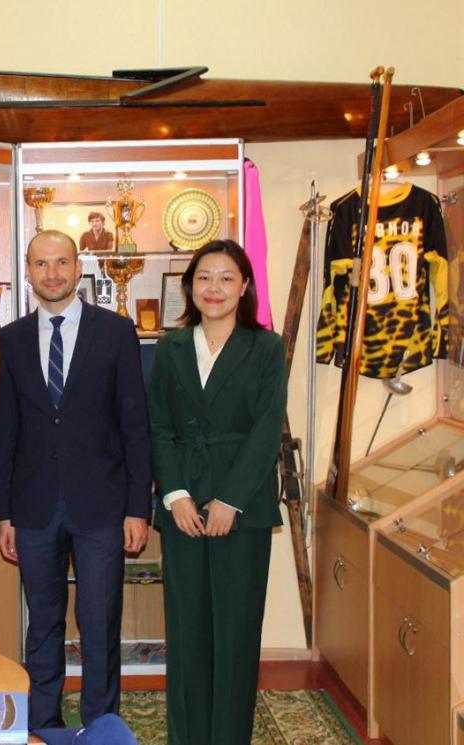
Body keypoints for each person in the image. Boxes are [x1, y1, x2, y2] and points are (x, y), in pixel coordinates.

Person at [0, 229, 151, 729]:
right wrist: (3, 514)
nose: (52, 273)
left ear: (79, 269)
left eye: (62, 262)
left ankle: (101, 725)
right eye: (41, 264)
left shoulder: (116, 332)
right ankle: (44, 725)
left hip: (101, 505)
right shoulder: (10, 339)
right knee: (43, 622)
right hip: (33, 507)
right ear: (28, 272)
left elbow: (135, 425)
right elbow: (5, 431)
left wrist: (138, 508)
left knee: (100, 623)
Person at [146, 239, 286, 745]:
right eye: (204, 277)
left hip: (242, 507)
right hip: (183, 505)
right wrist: (174, 495)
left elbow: (267, 429)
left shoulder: (266, 347)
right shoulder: (171, 348)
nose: (214, 288)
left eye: (227, 278)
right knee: (187, 632)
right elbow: (158, 427)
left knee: (235, 633)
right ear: (189, 286)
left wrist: (230, 500)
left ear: (244, 286)